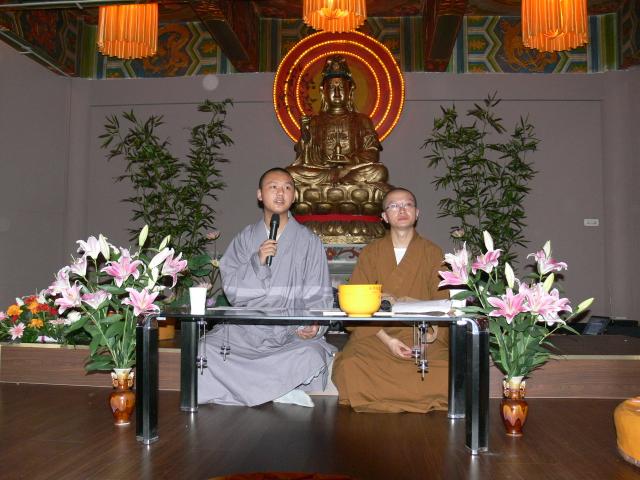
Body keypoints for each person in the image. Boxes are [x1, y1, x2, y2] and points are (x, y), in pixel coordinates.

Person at [198, 167, 336, 407]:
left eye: (287, 187)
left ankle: (251, 388)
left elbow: (319, 294)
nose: (280, 193)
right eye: (273, 187)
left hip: (290, 330)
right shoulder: (244, 239)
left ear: (294, 196)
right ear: (260, 195)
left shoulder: (309, 242)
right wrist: (257, 262)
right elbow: (233, 292)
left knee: (312, 354)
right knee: (205, 349)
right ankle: (278, 389)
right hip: (248, 329)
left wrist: (314, 325)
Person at [332, 187, 449, 413]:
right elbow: (356, 305)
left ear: (417, 213)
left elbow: (443, 304)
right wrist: (389, 341)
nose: (402, 210)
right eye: (394, 206)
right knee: (350, 366)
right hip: (377, 334)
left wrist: (425, 341)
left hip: (420, 333)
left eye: (408, 204)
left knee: (446, 368)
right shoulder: (371, 252)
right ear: (384, 217)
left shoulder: (433, 253)